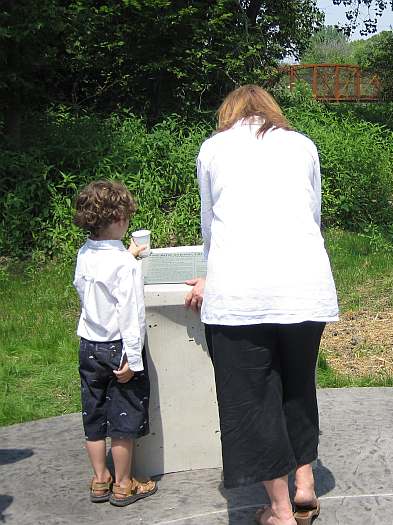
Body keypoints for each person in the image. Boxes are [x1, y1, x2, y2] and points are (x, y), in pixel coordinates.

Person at [185, 85, 339, 525]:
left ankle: (279, 511)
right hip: (305, 288)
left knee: (254, 398)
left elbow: (210, 222)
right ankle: (305, 485)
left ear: (229, 113)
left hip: (240, 293)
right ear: (272, 111)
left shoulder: (213, 149)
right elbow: (313, 213)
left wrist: (210, 275)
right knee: (297, 385)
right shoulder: (303, 145)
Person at [73, 180, 157, 507]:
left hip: (89, 344)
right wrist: (132, 361)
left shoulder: (85, 253)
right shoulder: (125, 265)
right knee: (124, 416)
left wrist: (128, 255)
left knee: (92, 415)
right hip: (117, 347)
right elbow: (132, 315)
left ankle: (99, 479)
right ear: (120, 218)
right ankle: (124, 484)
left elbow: (85, 287)